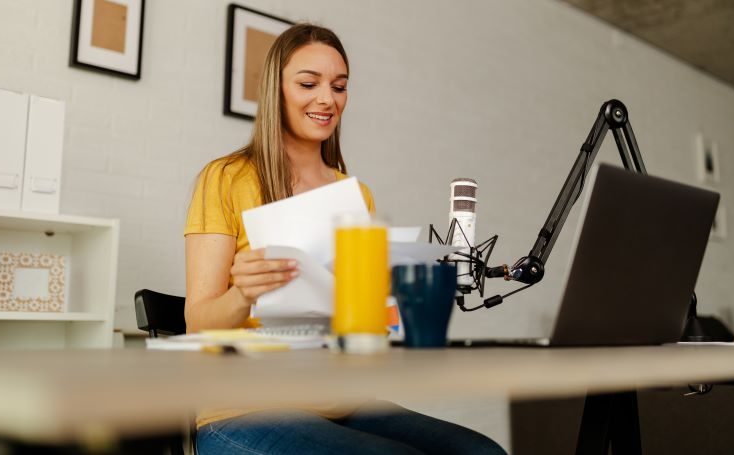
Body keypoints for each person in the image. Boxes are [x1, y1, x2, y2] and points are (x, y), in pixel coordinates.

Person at [184, 23, 506, 454]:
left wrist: (388, 303)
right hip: (241, 412)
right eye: (308, 83)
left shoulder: (355, 194)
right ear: (275, 89)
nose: (326, 99)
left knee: (481, 452)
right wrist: (243, 293)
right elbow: (198, 322)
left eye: (339, 86)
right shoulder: (226, 178)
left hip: (340, 403)